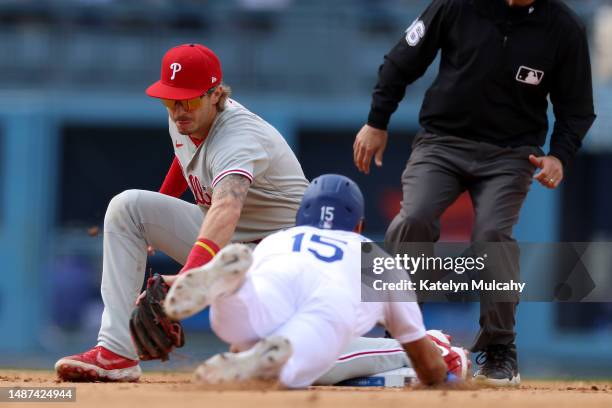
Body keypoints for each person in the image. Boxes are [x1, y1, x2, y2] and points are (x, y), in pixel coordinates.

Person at [352, 0, 596, 386]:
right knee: (412, 219)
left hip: (511, 154)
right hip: (441, 143)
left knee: (493, 236)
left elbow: (578, 108)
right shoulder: (456, 5)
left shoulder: (564, 26)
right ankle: (399, 341)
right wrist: (376, 121)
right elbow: (402, 60)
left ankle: (500, 353)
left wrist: (560, 156)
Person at [54, 43, 309, 382]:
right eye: (170, 100)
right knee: (128, 208)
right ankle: (116, 351)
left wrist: (186, 281)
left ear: (216, 94)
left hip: (280, 258)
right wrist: (156, 215)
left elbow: (226, 207)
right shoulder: (185, 115)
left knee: (283, 361)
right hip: (234, 246)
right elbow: (184, 157)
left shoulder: (237, 136)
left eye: (187, 100)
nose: (177, 111)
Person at [163, 174, 469, 388]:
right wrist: (439, 373)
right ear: (359, 225)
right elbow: (421, 358)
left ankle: (231, 290)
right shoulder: (377, 259)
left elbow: (237, 340)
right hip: (327, 306)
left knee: (242, 316)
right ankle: (270, 363)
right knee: (298, 361)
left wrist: (243, 347)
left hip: (272, 286)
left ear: (301, 218)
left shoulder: (279, 240)